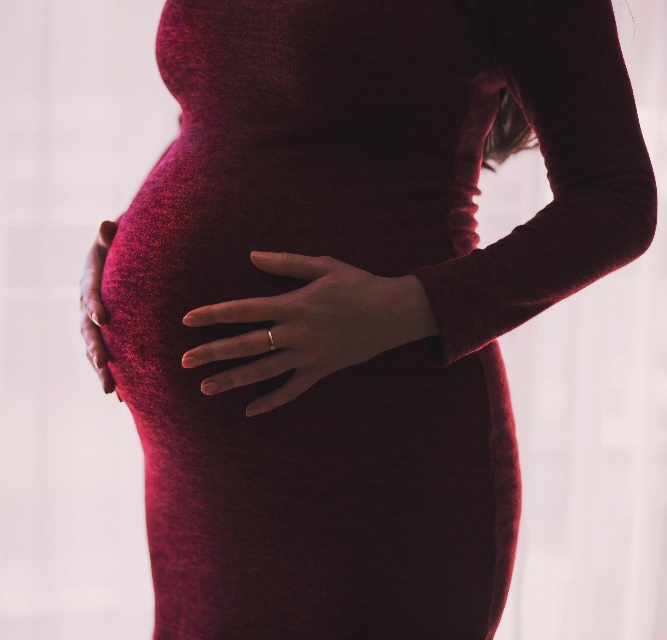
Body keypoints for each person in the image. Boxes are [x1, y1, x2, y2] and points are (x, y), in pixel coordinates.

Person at [79, 0, 656, 637]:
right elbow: (228, 118)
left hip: (369, 449)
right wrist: (124, 249)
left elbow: (618, 201)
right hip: (199, 479)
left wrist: (405, 308)